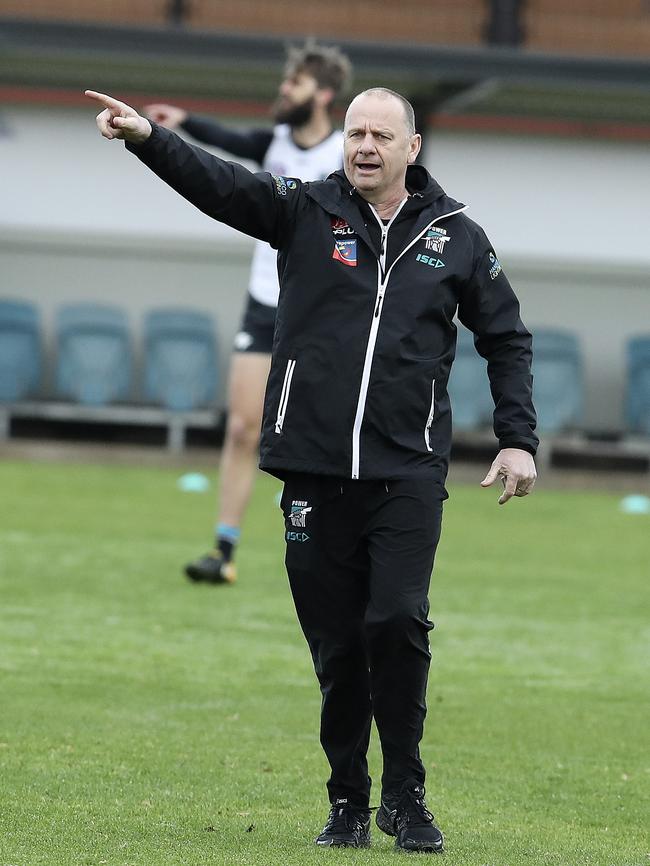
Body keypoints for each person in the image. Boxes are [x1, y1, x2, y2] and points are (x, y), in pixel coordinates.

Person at [86, 85, 538, 853]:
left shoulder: (457, 234)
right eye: (354, 133)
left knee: (397, 622)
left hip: (409, 471)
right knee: (337, 649)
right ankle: (347, 802)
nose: (363, 146)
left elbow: (508, 337)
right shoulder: (304, 210)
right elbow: (220, 184)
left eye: (379, 136)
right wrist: (145, 139)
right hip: (314, 470)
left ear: (411, 148)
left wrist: (517, 437)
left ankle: (406, 794)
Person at [142, 42, 352, 586]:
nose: (284, 90)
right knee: (241, 427)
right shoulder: (276, 143)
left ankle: (331, 544)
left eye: (296, 84)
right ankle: (224, 549)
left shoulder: (345, 157)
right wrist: (182, 121)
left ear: (323, 94)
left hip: (321, 311)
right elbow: (228, 144)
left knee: (319, 428)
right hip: (265, 304)